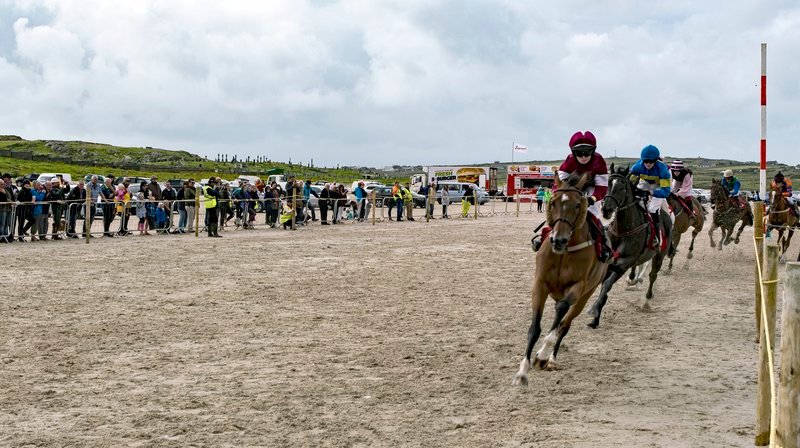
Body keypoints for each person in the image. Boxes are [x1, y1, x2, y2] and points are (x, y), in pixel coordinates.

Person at [534, 130, 612, 262]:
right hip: (571, 189)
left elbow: (602, 187)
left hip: (591, 190)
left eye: (587, 152)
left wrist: (592, 199)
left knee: (592, 215)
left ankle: (602, 245)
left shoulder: (599, 161)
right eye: (579, 153)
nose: (583, 156)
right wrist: (557, 195)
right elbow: (558, 183)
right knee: (559, 212)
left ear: (593, 151)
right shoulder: (569, 161)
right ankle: (544, 236)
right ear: (572, 152)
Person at [629, 145, 672, 247]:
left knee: (652, 209)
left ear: (656, 160)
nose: (648, 163)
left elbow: (665, 192)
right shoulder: (637, 167)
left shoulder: (663, 170)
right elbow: (631, 181)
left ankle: (656, 236)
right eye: (645, 161)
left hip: (658, 186)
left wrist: (651, 192)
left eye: (651, 161)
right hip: (645, 183)